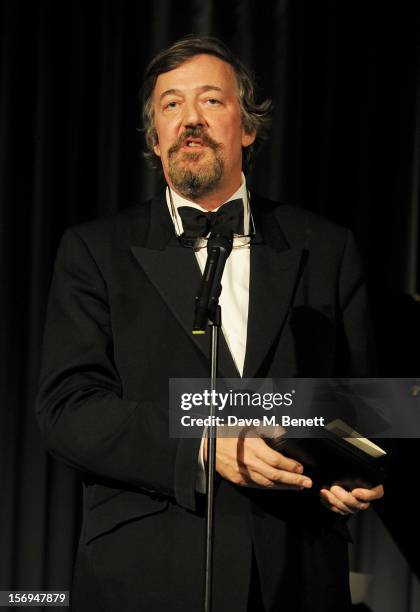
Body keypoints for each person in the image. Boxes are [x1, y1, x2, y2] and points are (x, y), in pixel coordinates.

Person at [35, 36, 384, 612]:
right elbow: (66, 410)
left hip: (295, 575)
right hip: (147, 575)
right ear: (154, 137)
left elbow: (363, 407)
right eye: (171, 105)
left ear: (247, 128)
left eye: (211, 102)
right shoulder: (95, 251)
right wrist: (201, 443)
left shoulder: (325, 247)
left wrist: (350, 471)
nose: (189, 120)